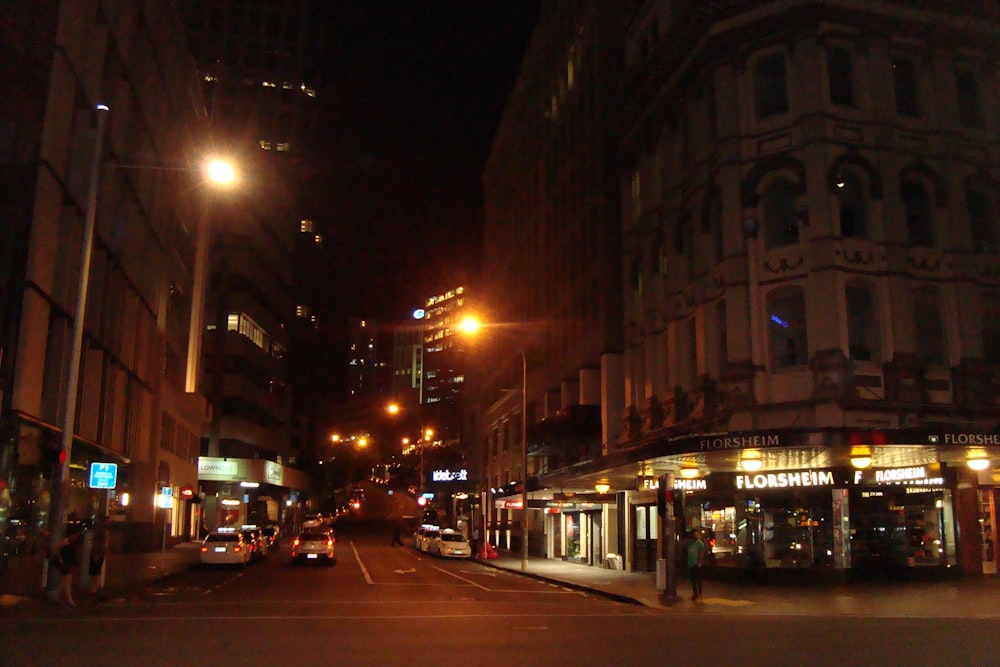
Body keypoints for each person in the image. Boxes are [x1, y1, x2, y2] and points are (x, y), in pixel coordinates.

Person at [51, 530, 82, 606]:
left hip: (67, 563)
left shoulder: (72, 543)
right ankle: (69, 599)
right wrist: (60, 558)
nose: (75, 538)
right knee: (67, 580)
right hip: (63, 563)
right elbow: (56, 548)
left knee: (65, 581)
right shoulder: (66, 541)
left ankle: (56, 596)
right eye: (75, 536)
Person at [88, 515, 111, 594]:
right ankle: (93, 588)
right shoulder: (101, 530)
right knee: (95, 571)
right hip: (98, 552)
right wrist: (96, 553)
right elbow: (96, 542)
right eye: (108, 521)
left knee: (97, 571)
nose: (109, 523)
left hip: (101, 552)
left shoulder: (104, 530)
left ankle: (94, 587)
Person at [685, 528, 707, 601]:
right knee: (692, 580)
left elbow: (701, 553)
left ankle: (699, 593)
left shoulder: (700, 544)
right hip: (690, 563)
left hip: (697, 564)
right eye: (694, 534)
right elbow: (686, 552)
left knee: (698, 579)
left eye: (696, 534)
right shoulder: (689, 543)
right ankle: (695, 593)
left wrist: (699, 562)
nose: (695, 535)